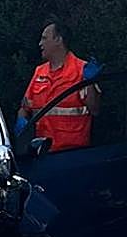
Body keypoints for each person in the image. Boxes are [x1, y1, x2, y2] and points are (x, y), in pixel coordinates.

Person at [15, 20, 100, 152]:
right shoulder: (39, 72)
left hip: (72, 154)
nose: (40, 44)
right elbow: (25, 107)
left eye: (44, 38)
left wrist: (90, 83)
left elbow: (94, 109)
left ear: (58, 40)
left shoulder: (81, 70)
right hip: (41, 151)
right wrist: (21, 118)